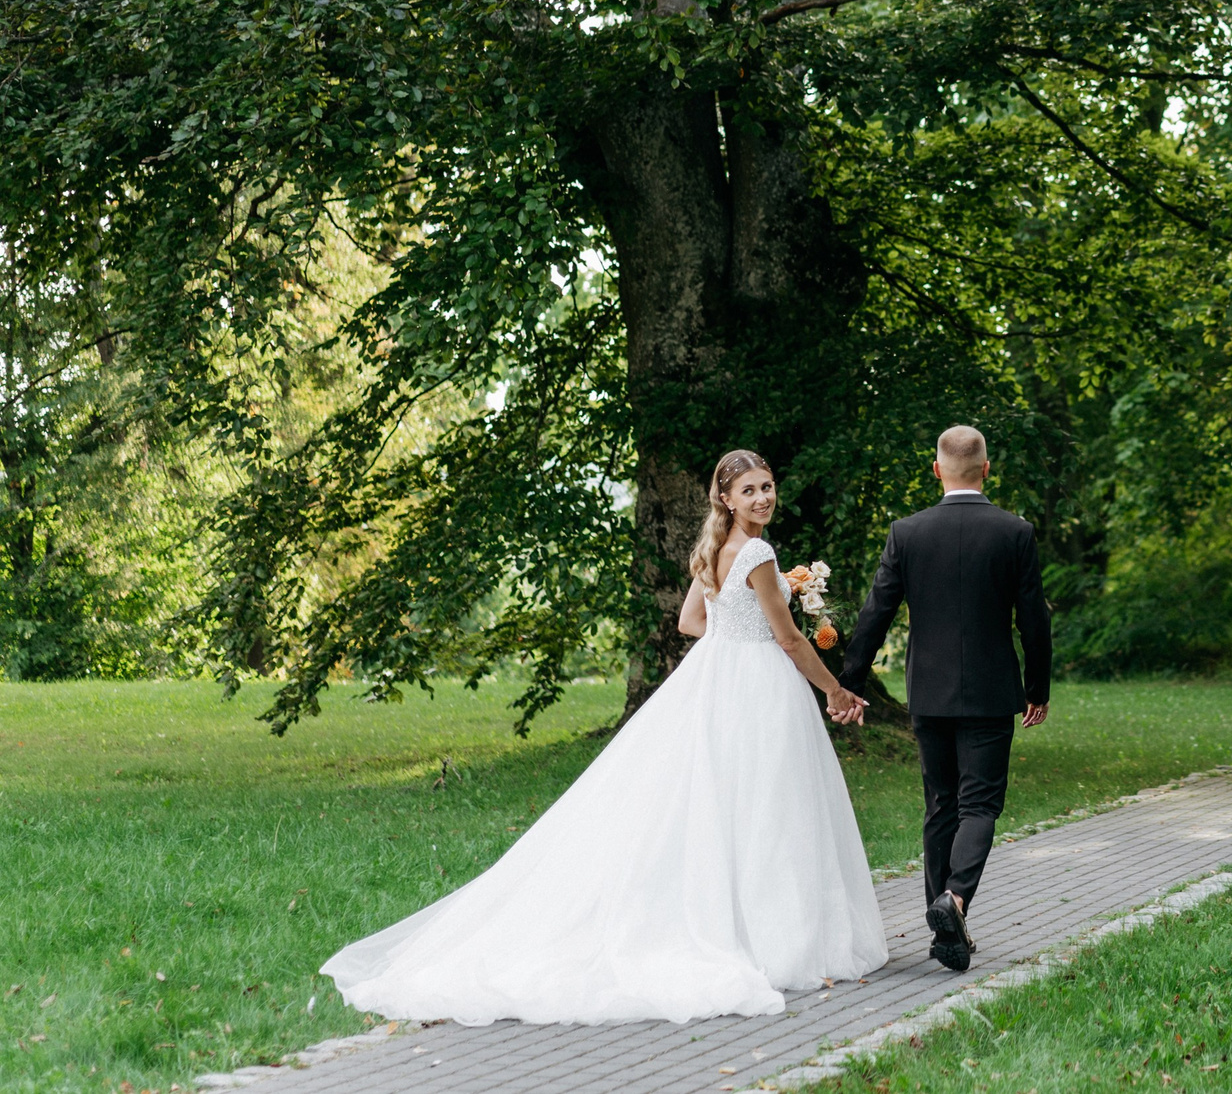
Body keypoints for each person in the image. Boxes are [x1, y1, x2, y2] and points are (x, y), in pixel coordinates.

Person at [320, 450, 889, 1025]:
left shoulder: (714, 548)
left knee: (725, 804)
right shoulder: (760, 552)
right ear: (725, 498)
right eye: (749, 491)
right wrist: (836, 693)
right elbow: (791, 641)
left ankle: (746, 928)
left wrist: (743, 617)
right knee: (767, 806)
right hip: (758, 685)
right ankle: (775, 942)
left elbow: (693, 622)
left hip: (715, 677)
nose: (763, 498)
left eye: (767, 487)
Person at [839, 425, 1052, 973]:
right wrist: (1038, 688)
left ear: (937, 470)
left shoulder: (907, 533)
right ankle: (953, 902)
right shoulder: (1015, 532)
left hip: (928, 693)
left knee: (941, 805)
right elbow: (1034, 620)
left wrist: (850, 683)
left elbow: (875, 613)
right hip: (989, 692)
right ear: (986, 468)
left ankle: (946, 935)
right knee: (979, 804)